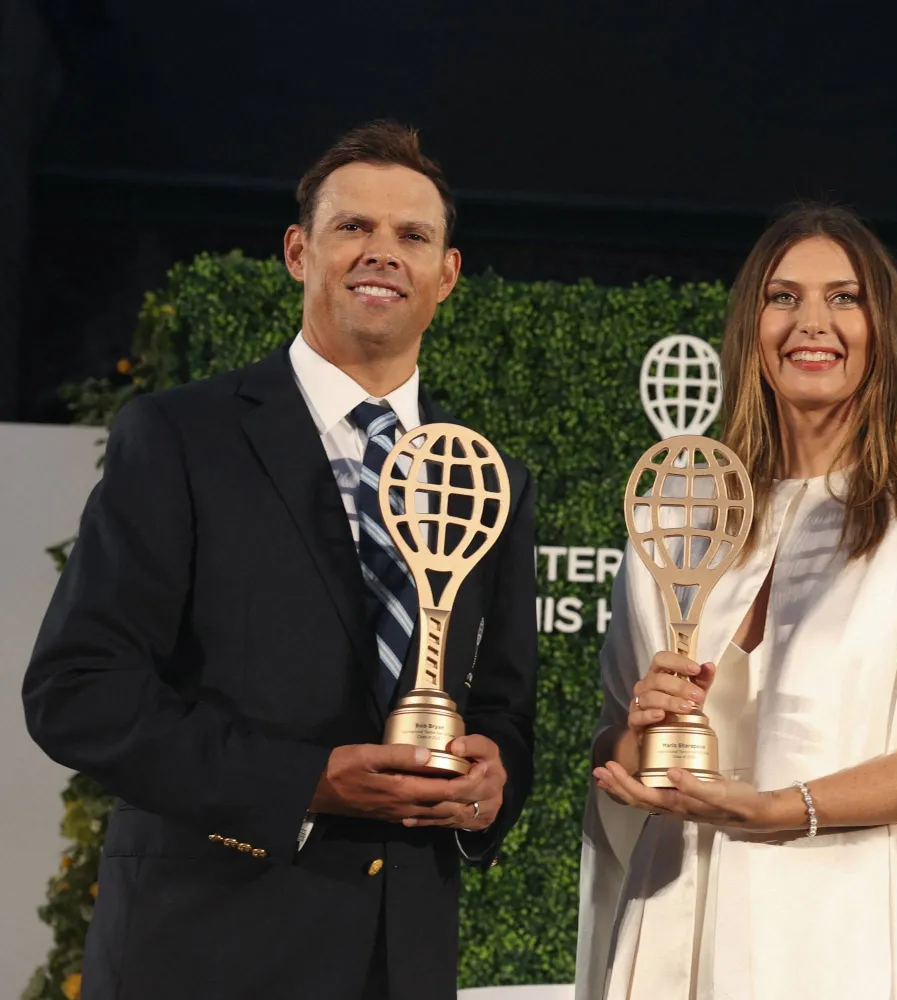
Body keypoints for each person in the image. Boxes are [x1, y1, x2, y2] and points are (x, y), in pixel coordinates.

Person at [23, 121, 538, 1000]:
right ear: (299, 252)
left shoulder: (489, 479)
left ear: (446, 274)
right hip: (202, 952)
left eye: (412, 235)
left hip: (401, 961)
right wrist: (307, 783)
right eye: (353, 227)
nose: (383, 253)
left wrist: (493, 783)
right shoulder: (180, 436)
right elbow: (78, 691)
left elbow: (504, 705)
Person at [574, 204, 897, 1000]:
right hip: (682, 916)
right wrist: (640, 735)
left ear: (882, 330)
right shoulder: (680, 511)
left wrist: (786, 809)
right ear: (750, 328)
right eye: (782, 297)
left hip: (863, 927)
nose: (810, 322)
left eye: (843, 297)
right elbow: (616, 748)